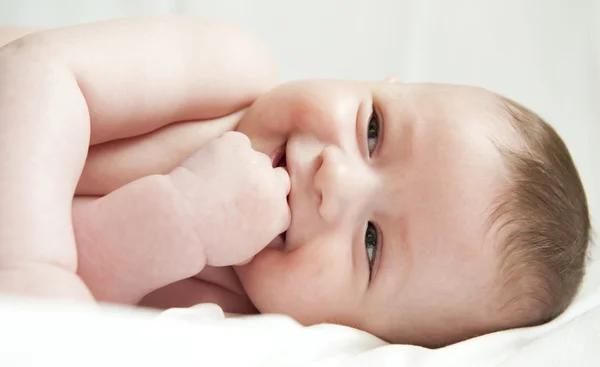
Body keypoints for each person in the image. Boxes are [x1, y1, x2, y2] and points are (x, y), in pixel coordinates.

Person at [0, 15, 590, 348]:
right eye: (375, 130)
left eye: (371, 243)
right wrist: (36, 268)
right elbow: (41, 71)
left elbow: (70, 312)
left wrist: (180, 225)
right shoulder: (226, 73)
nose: (337, 178)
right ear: (376, 80)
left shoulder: (222, 331)